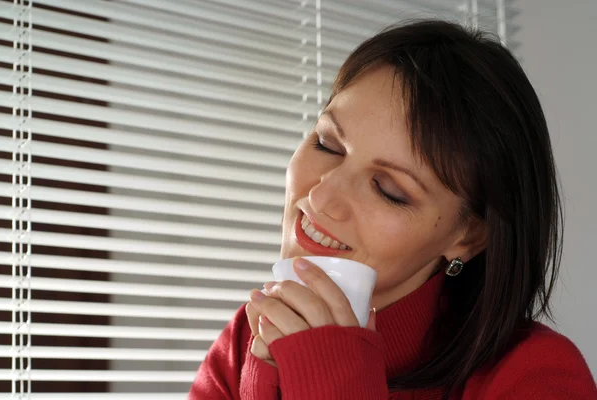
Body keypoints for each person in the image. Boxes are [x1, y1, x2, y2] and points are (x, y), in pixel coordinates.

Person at [189, 19, 597, 399]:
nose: (321, 197)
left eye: (389, 190)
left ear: (468, 235)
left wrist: (335, 380)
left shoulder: (536, 376)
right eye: (327, 144)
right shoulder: (246, 338)